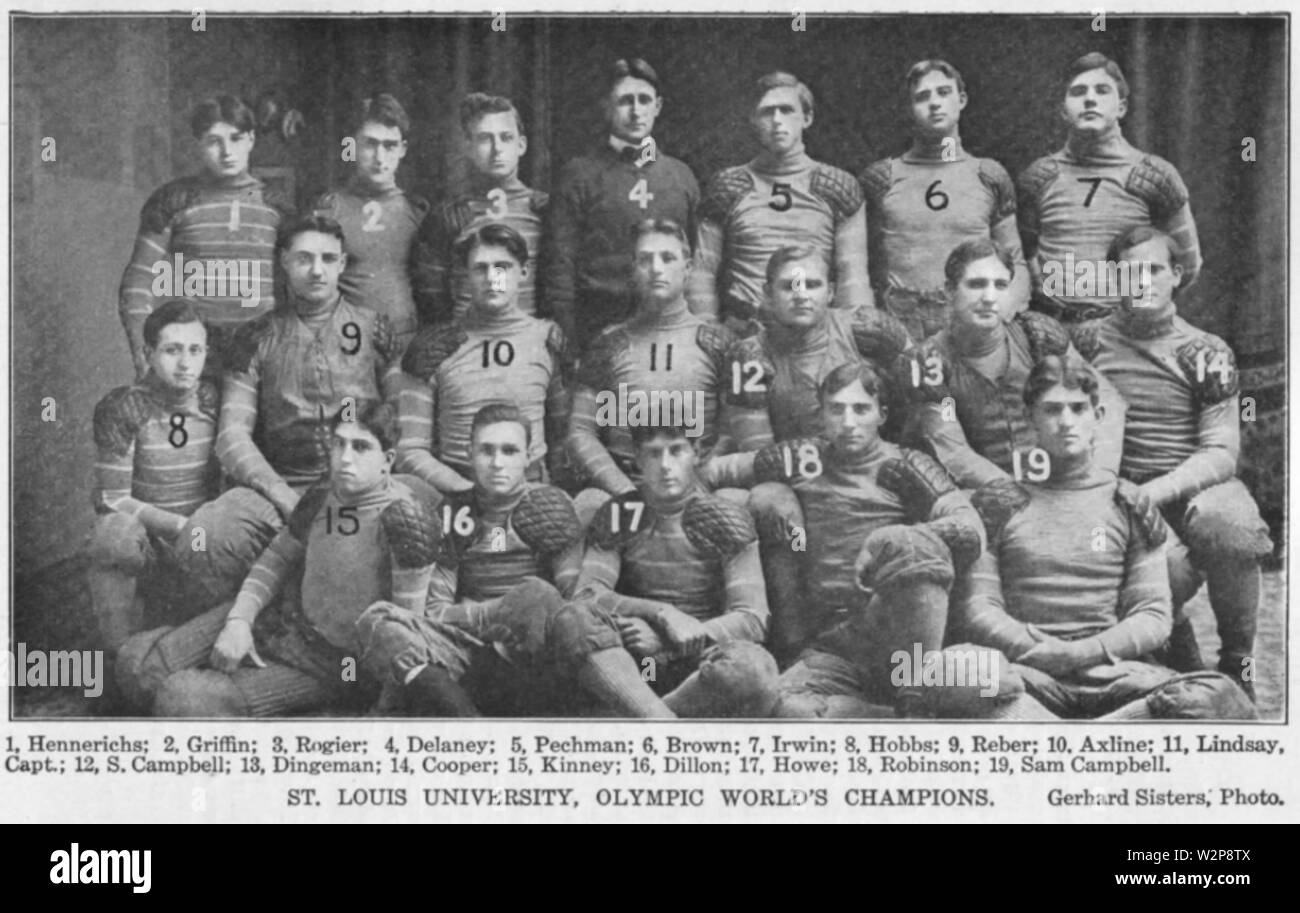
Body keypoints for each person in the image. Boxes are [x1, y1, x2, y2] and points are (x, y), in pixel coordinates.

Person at [955, 354, 1255, 720]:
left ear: (1097, 418)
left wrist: (1084, 652)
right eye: (1051, 410)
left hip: (1110, 678)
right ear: (1029, 419)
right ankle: (1093, 736)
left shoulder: (1128, 502)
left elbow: (1153, 614)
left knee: (1217, 693)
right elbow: (979, 609)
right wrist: (1042, 651)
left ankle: (1067, 736)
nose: (1066, 422)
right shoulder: (999, 503)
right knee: (957, 669)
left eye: (1078, 409)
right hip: (1025, 676)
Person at [121, 403, 445, 716]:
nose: (345, 458)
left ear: (387, 460)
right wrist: (239, 621)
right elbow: (276, 559)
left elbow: (406, 635)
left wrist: (383, 711)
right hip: (280, 618)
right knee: (136, 671)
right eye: (338, 444)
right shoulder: (322, 494)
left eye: (360, 447)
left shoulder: (405, 519)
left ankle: (222, 690)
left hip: (334, 663)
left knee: (181, 702)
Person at [358, 403, 674, 717]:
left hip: (543, 656)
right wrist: (497, 613)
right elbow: (435, 612)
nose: (497, 463)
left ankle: (657, 721)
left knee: (543, 598)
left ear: (528, 455)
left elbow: (574, 601)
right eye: (486, 451)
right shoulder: (453, 513)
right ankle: (472, 725)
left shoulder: (552, 504)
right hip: (476, 654)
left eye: (509, 451)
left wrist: (523, 608)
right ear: (470, 453)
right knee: (380, 620)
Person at [169, 214, 403, 605]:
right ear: (283, 261)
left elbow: (400, 420)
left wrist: (371, 485)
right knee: (204, 536)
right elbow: (231, 436)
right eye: (304, 258)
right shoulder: (256, 336)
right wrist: (283, 496)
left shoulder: (375, 329)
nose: (317, 270)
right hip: (285, 484)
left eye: (329, 259)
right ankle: (257, 623)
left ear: (343, 264)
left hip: (362, 483)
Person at [1081, 226, 1272, 697]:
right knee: (1161, 572)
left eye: (1152, 270)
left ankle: (1237, 661)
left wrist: (1158, 491)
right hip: (1118, 492)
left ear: (1176, 274)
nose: (1142, 282)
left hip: (1190, 487)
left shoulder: (1204, 351)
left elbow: (1222, 452)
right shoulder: (1086, 344)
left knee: (1229, 522)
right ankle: (1177, 644)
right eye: (1129, 273)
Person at [753, 363, 995, 717]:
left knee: (908, 544)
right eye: (837, 409)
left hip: (898, 633)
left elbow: (970, 528)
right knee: (786, 711)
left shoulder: (907, 463)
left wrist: (886, 540)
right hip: (831, 645)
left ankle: (910, 697)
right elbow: (715, 474)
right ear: (821, 414)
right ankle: (880, 716)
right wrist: (768, 496)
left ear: (881, 414)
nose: (848, 422)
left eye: (861, 409)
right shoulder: (801, 459)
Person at [570, 422, 780, 717]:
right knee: (573, 621)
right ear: (638, 461)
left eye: (676, 451)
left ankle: (649, 717)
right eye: (654, 454)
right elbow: (587, 595)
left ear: (695, 453)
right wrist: (661, 613)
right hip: (637, 662)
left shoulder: (724, 517)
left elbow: (752, 618)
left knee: (755, 669)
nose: (665, 466)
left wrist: (669, 643)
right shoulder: (621, 514)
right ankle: (655, 715)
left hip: (700, 664)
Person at [567, 218, 770, 499]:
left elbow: (733, 431)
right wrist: (624, 491)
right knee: (588, 504)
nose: (656, 269)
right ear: (633, 270)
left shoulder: (720, 344)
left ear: (687, 269)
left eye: (667, 258)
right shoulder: (609, 344)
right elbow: (581, 431)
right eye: (645, 259)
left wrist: (699, 483)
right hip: (627, 488)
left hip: (698, 489)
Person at [909, 239, 1126, 489]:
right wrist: (1016, 494)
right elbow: (955, 451)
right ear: (949, 290)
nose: (989, 298)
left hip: (1059, 483)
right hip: (985, 494)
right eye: (976, 284)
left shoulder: (1037, 336)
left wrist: (1103, 474)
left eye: (1000, 285)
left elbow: (1107, 399)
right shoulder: (933, 361)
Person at [88, 301, 237, 653]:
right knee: (111, 534)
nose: (185, 363)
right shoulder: (126, 407)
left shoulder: (217, 401)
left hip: (203, 544)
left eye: (195, 350)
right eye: (172, 350)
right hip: (152, 545)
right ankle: (119, 656)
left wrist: (204, 532)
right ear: (149, 353)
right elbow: (113, 498)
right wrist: (180, 526)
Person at [1018, 52, 1201, 330]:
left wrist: (1140, 308)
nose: (1090, 99)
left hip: (1127, 332)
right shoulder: (1040, 177)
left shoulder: (1154, 177)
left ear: (1122, 107)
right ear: (1063, 110)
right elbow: (1019, 256)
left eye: (1102, 91)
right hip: (1056, 333)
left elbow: (1186, 266)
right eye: (1078, 92)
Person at [117, 95, 289, 379]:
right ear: (199, 143)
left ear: (251, 139)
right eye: (213, 141)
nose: (226, 151)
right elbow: (138, 281)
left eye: (235, 138)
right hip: (195, 357)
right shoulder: (175, 200)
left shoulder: (277, 206)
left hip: (262, 357)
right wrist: (143, 354)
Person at [860, 60, 1029, 343]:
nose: (934, 103)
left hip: (970, 320)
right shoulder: (881, 179)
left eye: (943, 93)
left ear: (961, 100)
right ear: (909, 109)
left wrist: (1006, 309)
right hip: (901, 324)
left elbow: (1016, 262)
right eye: (922, 97)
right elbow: (860, 262)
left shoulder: (989, 175)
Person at [690, 71, 871, 331]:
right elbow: (702, 273)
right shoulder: (727, 187)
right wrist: (707, 335)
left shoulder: (837, 187)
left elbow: (853, 277)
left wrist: (853, 340)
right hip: (745, 332)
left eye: (786, 110)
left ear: (806, 118)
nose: (777, 120)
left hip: (816, 335)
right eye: (767, 112)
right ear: (753, 120)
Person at [398, 223, 570, 493]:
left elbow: (563, 439)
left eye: (503, 266)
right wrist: (465, 492)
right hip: (456, 492)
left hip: (531, 492)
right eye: (480, 268)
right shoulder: (435, 346)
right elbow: (409, 449)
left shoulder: (547, 339)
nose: (493, 278)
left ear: (523, 272)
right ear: (466, 276)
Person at [546, 58, 701, 350]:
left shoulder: (681, 177)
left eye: (644, 100)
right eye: (625, 101)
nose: (635, 110)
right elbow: (560, 269)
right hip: (597, 327)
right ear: (607, 107)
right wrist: (569, 344)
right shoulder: (579, 175)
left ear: (657, 107)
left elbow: (693, 264)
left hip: (667, 328)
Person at [413, 93, 548, 324]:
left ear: (521, 145)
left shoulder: (545, 210)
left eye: (506, 138)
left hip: (526, 344)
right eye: (485, 139)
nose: (497, 149)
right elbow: (430, 291)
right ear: (468, 147)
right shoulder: (450, 214)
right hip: (467, 345)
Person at [310, 94, 428, 351]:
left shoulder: (417, 212)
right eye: (369, 144)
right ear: (351, 147)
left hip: (405, 343)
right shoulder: (330, 208)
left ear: (403, 150)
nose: (379, 157)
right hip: (344, 342)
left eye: (389, 146)